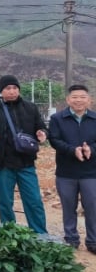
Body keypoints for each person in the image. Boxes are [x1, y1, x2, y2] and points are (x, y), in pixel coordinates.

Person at [0, 75, 48, 234]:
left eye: (14, 88)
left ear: (19, 89)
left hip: (26, 163)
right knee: (5, 202)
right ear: (1, 91)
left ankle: (40, 234)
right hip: (3, 164)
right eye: (8, 89)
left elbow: (42, 127)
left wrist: (42, 133)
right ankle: (10, 233)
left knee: (34, 200)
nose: (11, 91)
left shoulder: (30, 108)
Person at [48, 84, 96, 253]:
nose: (79, 100)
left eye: (82, 97)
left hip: (91, 172)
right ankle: (71, 239)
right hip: (66, 172)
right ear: (68, 99)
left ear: (89, 99)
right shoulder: (57, 119)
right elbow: (54, 139)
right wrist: (72, 150)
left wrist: (91, 149)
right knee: (69, 207)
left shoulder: (94, 118)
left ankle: (93, 241)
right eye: (75, 97)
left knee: (92, 207)